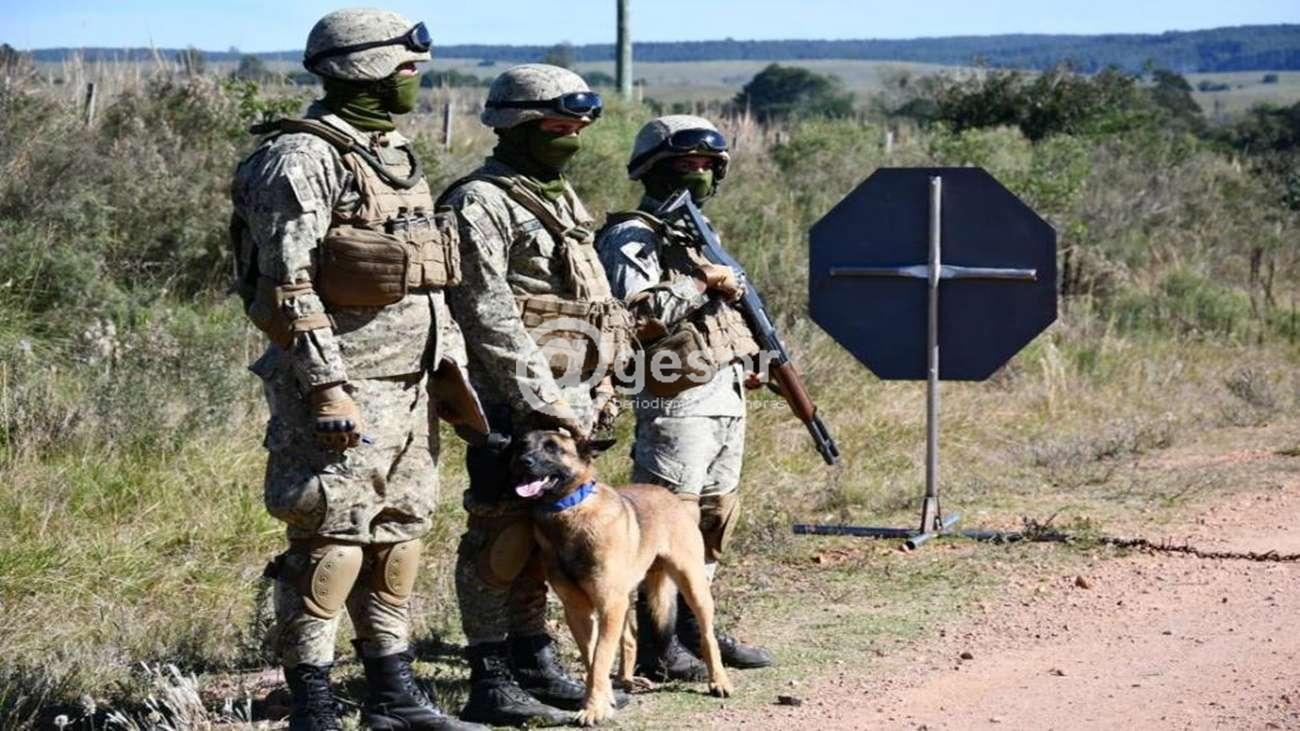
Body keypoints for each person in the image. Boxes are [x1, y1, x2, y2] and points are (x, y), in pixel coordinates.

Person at [230, 9, 484, 730]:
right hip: (344, 387)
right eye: (406, 66)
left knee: (397, 537)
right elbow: (288, 287)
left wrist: (447, 369)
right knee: (331, 542)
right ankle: (312, 702)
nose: (416, 79)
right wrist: (326, 386)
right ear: (365, 69)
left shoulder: (391, 152)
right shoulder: (300, 158)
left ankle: (391, 694)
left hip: (411, 382)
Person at [439, 63, 633, 727]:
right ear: (518, 125)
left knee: (541, 543)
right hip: (509, 406)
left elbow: (585, 301)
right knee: (498, 541)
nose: (573, 136)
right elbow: (487, 313)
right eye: (558, 124)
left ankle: (532, 656)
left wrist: (601, 382)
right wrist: (548, 404)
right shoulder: (479, 202)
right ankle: (490, 674)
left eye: (580, 125)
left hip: (568, 404)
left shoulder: (555, 196)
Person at [594, 115, 775, 682]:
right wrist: (700, 282)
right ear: (654, 169)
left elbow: (726, 317)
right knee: (667, 519)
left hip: (722, 392)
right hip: (673, 396)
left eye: (706, 165)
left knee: (714, 517)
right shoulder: (633, 236)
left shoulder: (699, 232)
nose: (697, 173)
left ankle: (698, 631)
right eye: (684, 164)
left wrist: (750, 362)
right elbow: (634, 316)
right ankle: (659, 644)